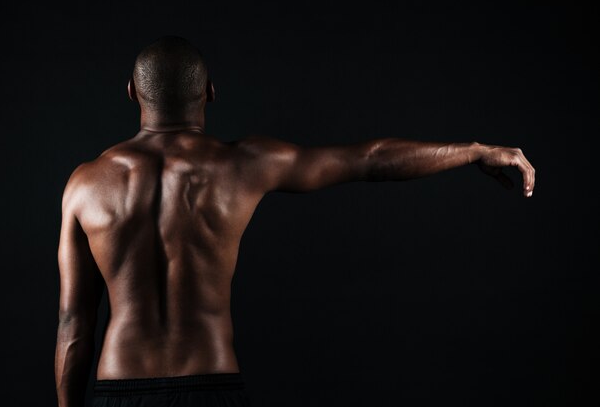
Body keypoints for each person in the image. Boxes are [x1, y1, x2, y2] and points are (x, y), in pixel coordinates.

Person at [55, 36, 535, 407]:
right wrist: (473, 151)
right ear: (211, 92)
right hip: (212, 381)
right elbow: (369, 158)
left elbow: (74, 323)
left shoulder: (85, 184)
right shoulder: (243, 164)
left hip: (120, 387)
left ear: (132, 91)